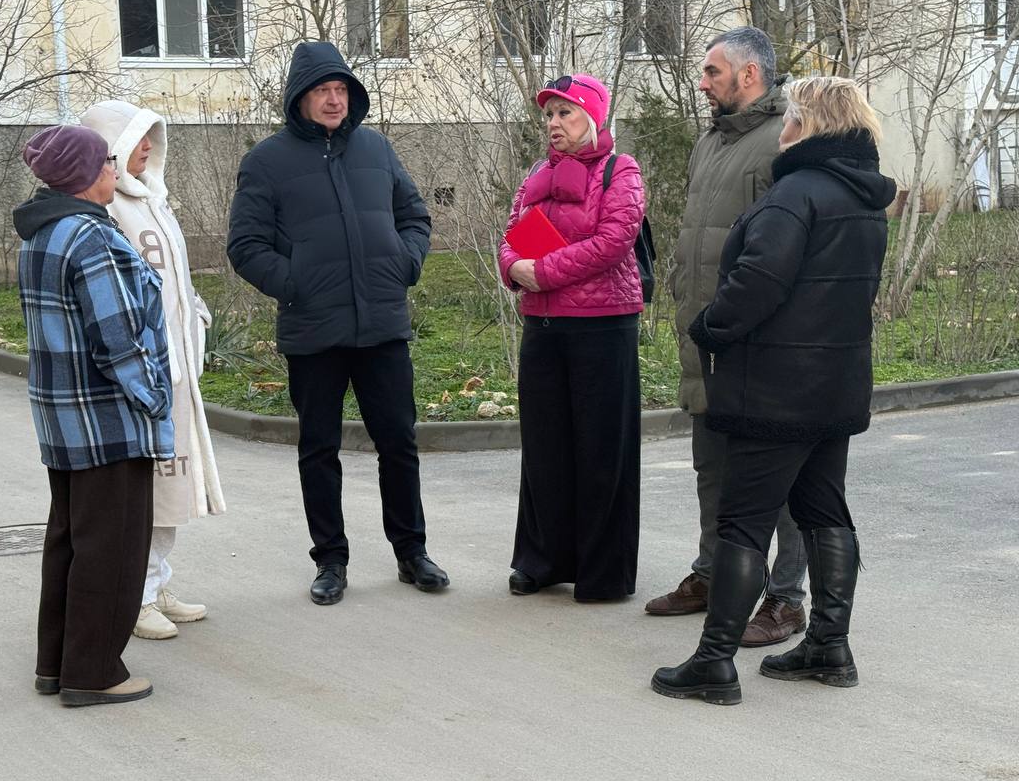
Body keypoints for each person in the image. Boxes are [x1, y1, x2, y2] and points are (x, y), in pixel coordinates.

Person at [651, 76, 895, 705]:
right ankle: (829, 645)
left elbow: (759, 280)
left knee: (743, 524)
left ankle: (714, 663)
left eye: (790, 116)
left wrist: (710, 328)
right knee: (824, 512)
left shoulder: (795, 195)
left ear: (807, 125)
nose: (782, 126)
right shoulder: (863, 198)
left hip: (773, 390)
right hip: (835, 388)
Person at [227, 40, 448, 606]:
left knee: (398, 442)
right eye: (323, 91)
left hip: (382, 325)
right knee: (319, 448)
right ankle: (330, 559)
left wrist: (406, 261)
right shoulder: (265, 161)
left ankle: (411, 552)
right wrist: (297, 283)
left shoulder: (376, 148)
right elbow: (246, 246)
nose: (333, 100)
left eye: (341, 89)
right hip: (314, 330)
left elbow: (414, 215)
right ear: (299, 99)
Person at [644, 27, 809, 647]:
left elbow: (790, 247)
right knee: (711, 467)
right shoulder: (709, 141)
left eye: (712, 71)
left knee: (782, 479)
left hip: (761, 343)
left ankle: (786, 599)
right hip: (705, 337)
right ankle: (714, 574)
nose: (703, 81)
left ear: (748, 75)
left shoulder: (789, 138)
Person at [13, 124, 173, 707]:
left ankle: (57, 664)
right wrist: (154, 398)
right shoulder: (91, 237)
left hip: (62, 419)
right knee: (113, 546)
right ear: (83, 176)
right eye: (106, 162)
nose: (114, 170)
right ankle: (94, 672)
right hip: (107, 420)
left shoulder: (42, 233)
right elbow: (118, 339)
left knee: (72, 541)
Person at [81, 100, 226, 641]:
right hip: (141, 373)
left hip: (177, 370)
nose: (149, 147)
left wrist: (197, 313)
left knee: (171, 485)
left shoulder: (155, 202)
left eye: (152, 138)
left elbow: (173, 281)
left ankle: (156, 581)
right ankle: (134, 595)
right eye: (140, 137)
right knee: (142, 489)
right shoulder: (106, 209)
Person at [497, 73, 644, 601]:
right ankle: (542, 560)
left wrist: (543, 272)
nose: (553, 124)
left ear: (592, 117)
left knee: (603, 450)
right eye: (549, 115)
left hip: (603, 328)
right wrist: (515, 268)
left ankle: (603, 575)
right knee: (543, 448)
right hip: (543, 326)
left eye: (565, 113)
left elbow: (612, 242)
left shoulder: (619, 171)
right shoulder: (537, 173)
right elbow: (510, 241)